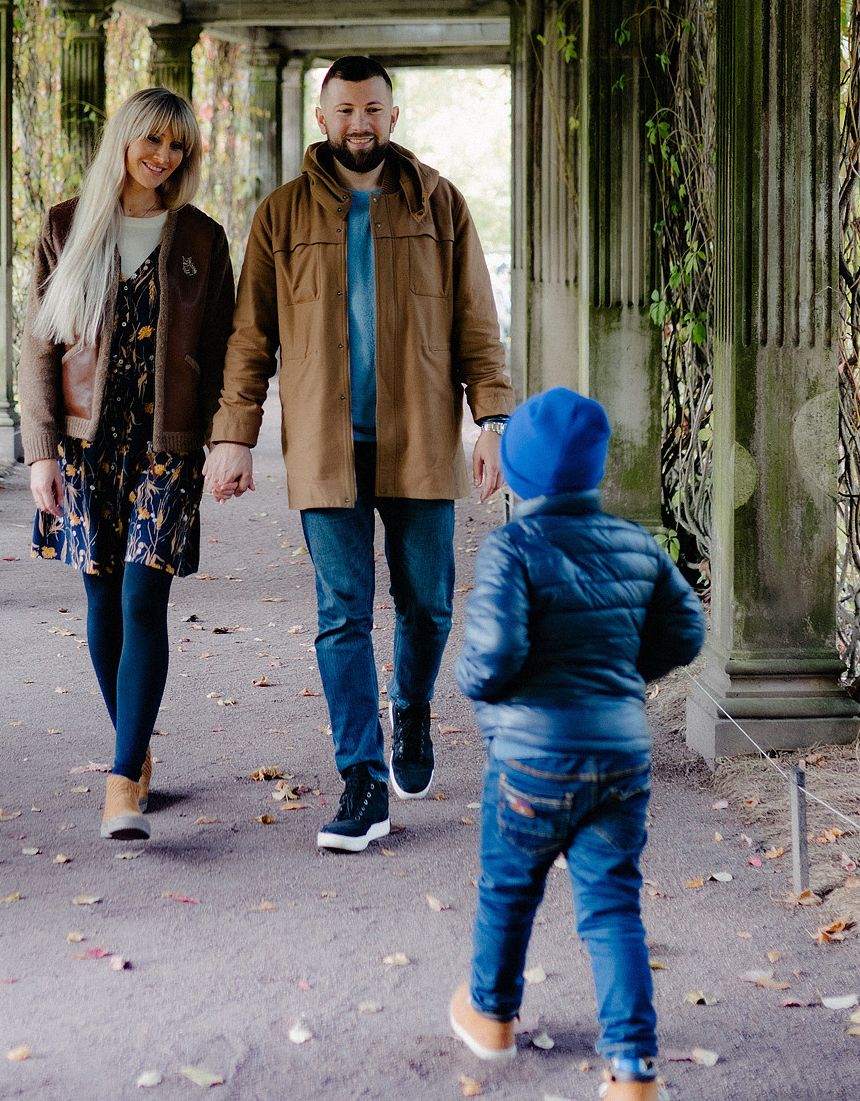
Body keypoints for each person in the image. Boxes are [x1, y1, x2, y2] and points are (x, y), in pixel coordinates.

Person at [203, 55, 516, 851]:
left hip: (418, 441)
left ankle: (410, 708)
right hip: (322, 445)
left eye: (372, 108)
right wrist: (233, 436)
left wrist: (492, 421)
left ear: (393, 115)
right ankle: (363, 777)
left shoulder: (441, 203)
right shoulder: (280, 216)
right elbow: (250, 338)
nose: (359, 123)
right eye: (344, 110)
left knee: (430, 604)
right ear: (322, 117)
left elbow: (477, 321)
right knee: (341, 616)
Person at [445, 387, 706, 1101]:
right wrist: (624, 674)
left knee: (508, 887)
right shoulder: (636, 544)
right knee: (613, 905)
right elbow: (686, 632)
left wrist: (478, 683)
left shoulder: (513, 547)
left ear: (520, 475)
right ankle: (632, 1069)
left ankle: (492, 1015)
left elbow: (494, 651)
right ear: (595, 470)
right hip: (620, 757)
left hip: (530, 758)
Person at [19, 87, 237, 844]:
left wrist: (226, 437)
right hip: (85, 445)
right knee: (103, 602)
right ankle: (135, 748)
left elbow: (222, 350)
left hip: (166, 448)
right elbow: (40, 348)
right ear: (124, 139)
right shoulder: (66, 226)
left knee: (146, 600)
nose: (163, 157)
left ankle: (120, 784)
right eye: (152, 140)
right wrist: (42, 450)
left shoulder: (203, 239)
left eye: (177, 146)